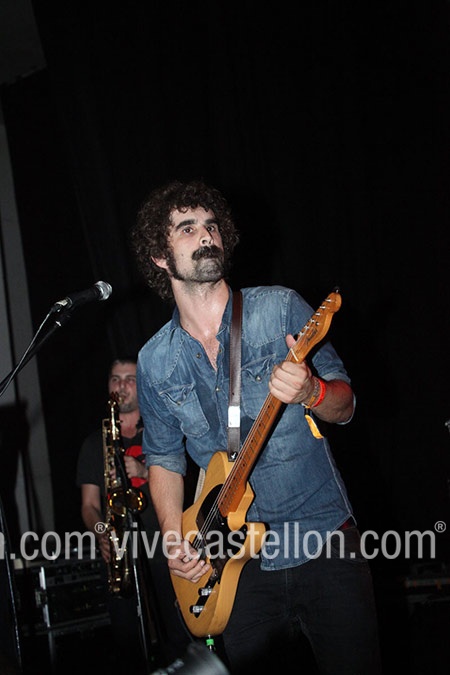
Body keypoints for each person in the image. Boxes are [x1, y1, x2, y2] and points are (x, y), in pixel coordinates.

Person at [129, 179, 383, 675]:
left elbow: (346, 405)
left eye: (211, 225)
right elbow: (163, 459)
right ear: (159, 256)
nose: (206, 235)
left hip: (321, 539)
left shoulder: (280, 308)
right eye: (187, 228)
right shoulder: (154, 360)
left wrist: (312, 391)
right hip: (235, 570)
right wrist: (174, 539)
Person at [76, 357, 190, 672]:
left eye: (130, 379)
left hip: (164, 547)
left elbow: (189, 481)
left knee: (178, 634)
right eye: (116, 379)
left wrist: (143, 470)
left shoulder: (161, 433)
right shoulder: (94, 443)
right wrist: (102, 532)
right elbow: (89, 505)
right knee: (128, 643)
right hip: (120, 552)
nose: (122, 385)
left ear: (142, 385)